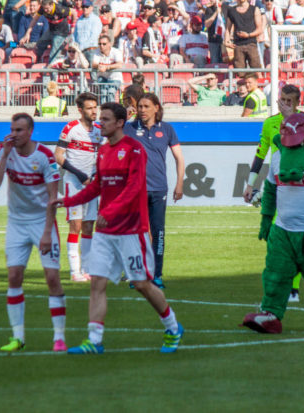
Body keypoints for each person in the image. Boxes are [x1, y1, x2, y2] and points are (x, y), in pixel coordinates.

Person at [50, 102, 184, 354]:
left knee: (142, 284)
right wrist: (67, 201)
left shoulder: (134, 149)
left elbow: (134, 188)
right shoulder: (103, 151)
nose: (101, 123)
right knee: (97, 282)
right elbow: (96, 186)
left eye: (106, 119)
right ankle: (94, 340)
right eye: (100, 118)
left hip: (131, 230)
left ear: (120, 123)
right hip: (106, 233)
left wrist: (108, 212)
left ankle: (172, 327)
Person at [242, 113, 304, 334]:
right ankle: (270, 314)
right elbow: (270, 189)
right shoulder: (278, 157)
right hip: (283, 231)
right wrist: (267, 219)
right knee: (275, 274)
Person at [0, 112, 67, 353]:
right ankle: (18, 337)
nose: (15, 134)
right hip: (16, 223)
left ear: (30, 132)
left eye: (20, 130)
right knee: (14, 277)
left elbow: (53, 197)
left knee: (52, 278)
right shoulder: (5, 150)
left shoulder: (44, 156)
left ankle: (59, 337)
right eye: (13, 129)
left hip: (42, 221)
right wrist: (5, 156)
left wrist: (46, 233)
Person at [242, 84, 304, 302]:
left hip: (301, 183)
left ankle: (293, 287)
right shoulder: (270, 123)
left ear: (298, 102)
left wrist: (291, 118)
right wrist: (250, 183)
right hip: (277, 185)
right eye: (282, 100)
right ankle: (279, 280)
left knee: (296, 235)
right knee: (276, 236)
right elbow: (261, 154)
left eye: (289, 101)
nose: (285, 104)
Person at [123, 93, 185, 289]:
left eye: (146, 106)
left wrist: (179, 183)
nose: (142, 110)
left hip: (159, 189)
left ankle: (157, 274)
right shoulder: (128, 128)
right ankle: (137, 274)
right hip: (135, 189)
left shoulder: (167, 129)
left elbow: (179, 158)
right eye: (139, 106)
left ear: (156, 108)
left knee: (158, 233)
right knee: (136, 234)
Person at [54, 92, 105, 282]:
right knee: (75, 225)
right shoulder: (71, 128)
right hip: (74, 182)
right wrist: (80, 175)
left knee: (89, 226)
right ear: (80, 110)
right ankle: (75, 271)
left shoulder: (100, 130)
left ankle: (87, 269)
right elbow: (58, 155)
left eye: (95, 107)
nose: (94, 111)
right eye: (90, 108)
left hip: (92, 184)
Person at [21, 0, 72, 64]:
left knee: (53, 54)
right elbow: (35, 19)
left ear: (51, 5)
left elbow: (74, 12)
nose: (45, 10)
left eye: (47, 9)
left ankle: (52, 72)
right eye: (44, 8)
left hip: (61, 32)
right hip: (51, 30)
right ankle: (38, 63)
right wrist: (27, 33)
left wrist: (73, 27)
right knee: (39, 45)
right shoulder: (42, 9)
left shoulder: (60, 9)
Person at [224, 0, 263, 69]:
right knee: (240, 73)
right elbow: (227, 29)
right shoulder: (231, 10)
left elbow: (259, 29)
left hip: (251, 44)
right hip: (238, 45)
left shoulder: (254, 9)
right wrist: (226, 41)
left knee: (256, 71)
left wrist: (248, 35)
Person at [92, 34, 124, 104]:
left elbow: (120, 64)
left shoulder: (116, 51)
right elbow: (93, 64)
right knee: (103, 93)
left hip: (115, 78)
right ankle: (104, 110)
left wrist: (107, 67)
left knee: (110, 92)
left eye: (104, 44)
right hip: (103, 77)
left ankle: (111, 111)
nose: (101, 46)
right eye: (100, 44)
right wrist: (99, 66)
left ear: (109, 44)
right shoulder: (97, 51)